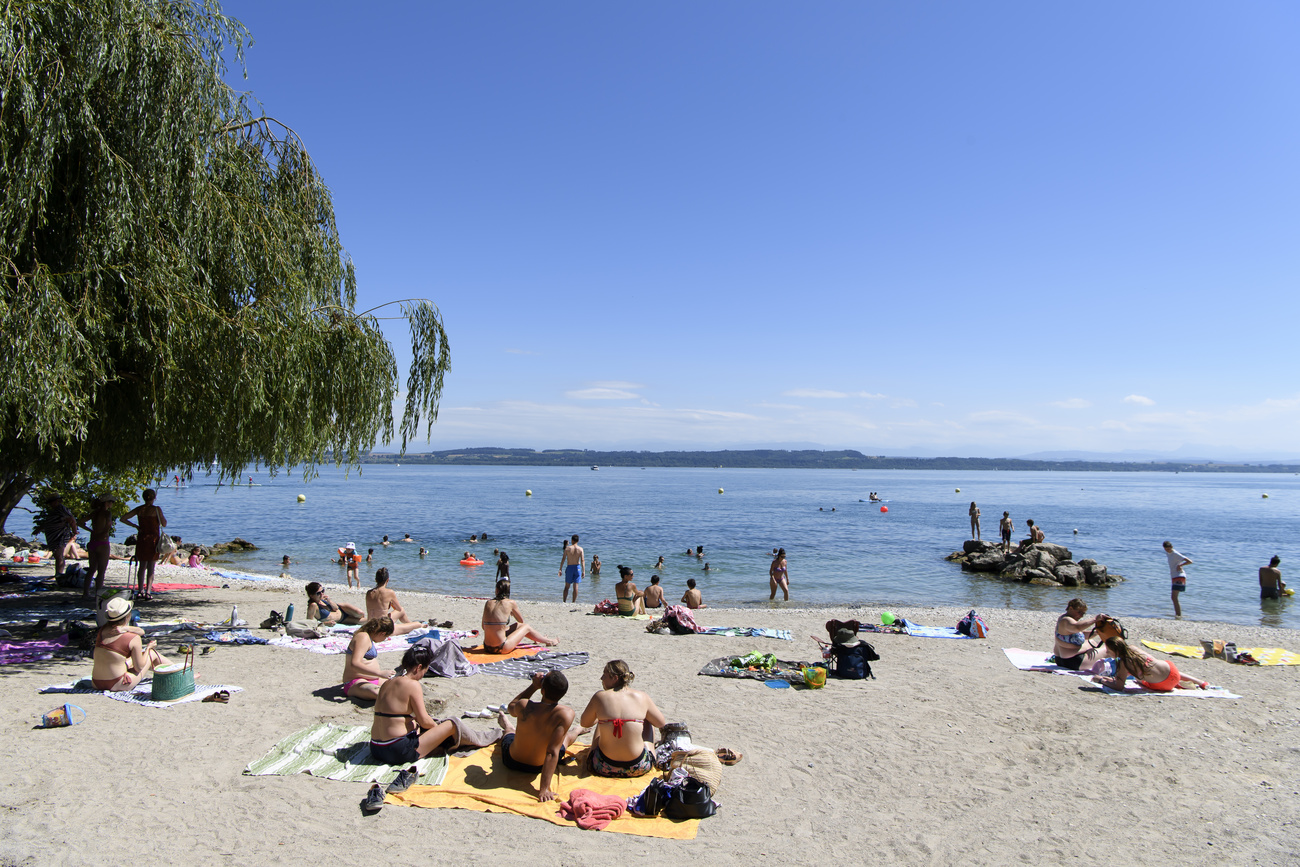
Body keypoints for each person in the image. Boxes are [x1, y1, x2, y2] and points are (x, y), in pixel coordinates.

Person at [370, 644, 487, 764]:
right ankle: (482, 739)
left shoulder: (387, 683)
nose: (422, 676)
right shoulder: (412, 684)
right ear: (419, 667)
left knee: (417, 723)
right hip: (396, 750)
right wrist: (438, 731)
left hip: (375, 748)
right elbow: (424, 720)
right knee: (452, 724)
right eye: (425, 671)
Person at [503, 671, 588, 801]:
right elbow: (552, 752)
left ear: (542, 690)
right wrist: (544, 788)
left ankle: (506, 725)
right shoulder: (566, 714)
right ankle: (577, 730)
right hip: (539, 766)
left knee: (509, 733)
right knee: (563, 739)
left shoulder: (525, 705)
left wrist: (533, 686)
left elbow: (511, 707)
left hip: (512, 761)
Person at [579, 660, 667, 778]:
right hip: (638, 767)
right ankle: (650, 751)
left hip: (603, 766)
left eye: (604, 675)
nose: (601, 678)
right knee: (647, 719)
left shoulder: (600, 697)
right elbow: (661, 723)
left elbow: (585, 723)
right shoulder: (642, 696)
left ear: (615, 678)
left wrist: (602, 718)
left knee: (602, 722)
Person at [90, 597, 171, 691]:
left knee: (134, 657)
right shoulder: (132, 638)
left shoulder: (102, 631)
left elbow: (142, 631)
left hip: (96, 683)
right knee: (151, 653)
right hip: (118, 683)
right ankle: (179, 673)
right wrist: (148, 648)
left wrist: (126, 628)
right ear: (128, 616)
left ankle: (176, 672)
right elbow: (139, 667)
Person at [1092, 637, 1207, 692]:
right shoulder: (1132, 648)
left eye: (1109, 651)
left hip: (1165, 685)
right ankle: (1202, 683)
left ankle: (1177, 684)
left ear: (1115, 651)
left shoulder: (1123, 662)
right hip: (1173, 671)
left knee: (1140, 680)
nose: (1107, 653)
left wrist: (1101, 680)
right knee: (1159, 670)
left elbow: (1119, 686)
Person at [482, 579, 557, 653]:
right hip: (502, 647)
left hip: (487, 647)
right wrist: (511, 613)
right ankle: (549, 641)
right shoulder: (510, 603)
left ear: (496, 590)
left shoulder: (488, 603)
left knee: (515, 626)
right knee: (526, 627)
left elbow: (483, 626)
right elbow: (521, 621)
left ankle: (538, 639)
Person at [121, 489, 166, 600]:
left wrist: (135, 526)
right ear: (154, 497)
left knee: (142, 566)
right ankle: (148, 591)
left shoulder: (139, 509)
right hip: (153, 539)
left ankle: (140, 590)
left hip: (142, 538)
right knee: (151, 567)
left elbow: (123, 518)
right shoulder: (156, 509)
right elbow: (164, 523)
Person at [342, 617, 396, 701]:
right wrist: (379, 673)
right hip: (356, 681)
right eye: (386, 637)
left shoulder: (367, 638)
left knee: (400, 687)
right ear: (382, 633)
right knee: (379, 693)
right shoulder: (363, 637)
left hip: (373, 680)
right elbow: (355, 663)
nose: (384, 639)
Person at [1051, 599, 1112, 671]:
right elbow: (1077, 627)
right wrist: (1095, 619)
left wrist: (1097, 632)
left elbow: (1080, 634)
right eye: (1079, 612)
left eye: (1083, 613)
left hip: (1060, 660)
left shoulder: (1063, 619)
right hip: (1074, 661)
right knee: (1109, 648)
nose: (1081, 616)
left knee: (1091, 641)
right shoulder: (1066, 620)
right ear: (1070, 608)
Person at [366, 567, 429, 635]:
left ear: (376, 580)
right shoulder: (389, 592)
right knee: (417, 625)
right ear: (387, 580)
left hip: (370, 627)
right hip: (383, 630)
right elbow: (398, 609)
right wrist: (391, 604)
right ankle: (412, 625)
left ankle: (409, 624)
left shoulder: (369, 593)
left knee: (401, 611)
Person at [78, 495, 115, 602]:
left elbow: (80, 522)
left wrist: (91, 530)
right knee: (101, 570)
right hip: (102, 542)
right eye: (111, 502)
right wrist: (104, 532)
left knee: (92, 569)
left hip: (93, 541)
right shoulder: (107, 513)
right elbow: (108, 523)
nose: (112, 504)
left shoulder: (94, 513)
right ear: (107, 503)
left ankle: (85, 593)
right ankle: (98, 593)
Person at [37, 493, 77, 580]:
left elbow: (71, 520)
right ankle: (57, 574)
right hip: (53, 536)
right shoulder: (54, 511)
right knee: (56, 554)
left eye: (52, 502)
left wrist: (74, 531)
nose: (51, 504)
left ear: (57, 501)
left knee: (59, 555)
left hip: (60, 535)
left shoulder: (62, 509)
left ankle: (59, 574)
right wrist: (39, 529)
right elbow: (49, 522)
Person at [1164, 540, 1192, 616]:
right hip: (1174, 576)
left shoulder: (1175, 553)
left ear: (1172, 547)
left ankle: (1178, 615)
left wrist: (1180, 565)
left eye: (1169, 549)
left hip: (1179, 576)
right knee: (1174, 598)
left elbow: (1189, 561)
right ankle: (1178, 614)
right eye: (1166, 549)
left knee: (1174, 597)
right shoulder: (1168, 553)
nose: (1168, 550)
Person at [562, 534, 584, 602]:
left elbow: (563, 559)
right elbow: (582, 560)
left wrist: (560, 569)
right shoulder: (580, 549)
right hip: (577, 567)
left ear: (572, 540)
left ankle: (564, 601)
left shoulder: (568, 548)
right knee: (576, 586)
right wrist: (583, 571)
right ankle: (573, 602)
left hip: (570, 567)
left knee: (567, 586)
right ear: (578, 540)